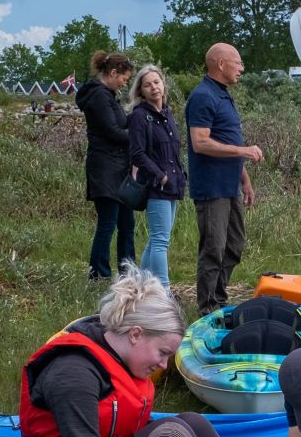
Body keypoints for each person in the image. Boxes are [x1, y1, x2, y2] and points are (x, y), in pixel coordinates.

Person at [19, 268, 242, 437]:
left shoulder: (120, 360)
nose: (163, 365)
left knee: (195, 422)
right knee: (171, 433)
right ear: (135, 334)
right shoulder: (72, 372)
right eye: (162, 352)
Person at [186, 43, 264, 314]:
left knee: (235, 245)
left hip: (230, 185)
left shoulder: (224, 95)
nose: (242, 68)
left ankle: (218, 299)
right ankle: (207, 308)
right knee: (213, 248)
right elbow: (200, 142)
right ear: (220, 64)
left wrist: (245, 180)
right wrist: (244, 151)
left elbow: (229, 140)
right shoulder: (202, 96)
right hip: (211, 188)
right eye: (238, 62)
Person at [75, 51, 134, 281]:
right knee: (108, 222)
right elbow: (111, 131)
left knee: (126, 223)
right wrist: (137, 138)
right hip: (104, 168)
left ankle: (128, 271)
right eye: (124, 78)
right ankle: (98, 272)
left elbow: (120, 123)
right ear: (113, 73)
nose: (124, 83)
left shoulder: (110, 95)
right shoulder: (98, 96)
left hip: (119, 168)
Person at [127, 64, 185, 290]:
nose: (154, 88)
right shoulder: (140, 117)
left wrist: (178, 176)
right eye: (147, 85)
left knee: (156, 240)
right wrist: (160, 176)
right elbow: (137, 153)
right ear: (140, 91)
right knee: (161, 241)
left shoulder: (167, 114)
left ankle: (139, 285)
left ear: (163, 85)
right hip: (156, 185)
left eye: (157, 82)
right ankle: (164, 292)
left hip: (173, 184)